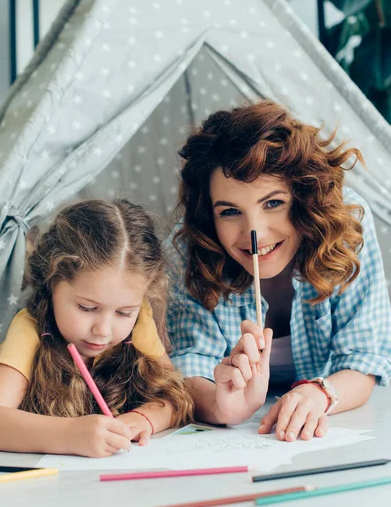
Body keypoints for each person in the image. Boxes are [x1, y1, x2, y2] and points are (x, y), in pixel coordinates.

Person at [165, 100, 391, 442]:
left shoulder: (347, 229)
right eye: (229, 212)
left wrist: (318, 394)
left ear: (303, 198)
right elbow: (189, 362)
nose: (254, 235)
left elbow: (364, 360)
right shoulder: (188, 250)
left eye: (273, 203)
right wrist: (220, 406)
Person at [0, 199, 193, 457]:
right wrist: (69, 435)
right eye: (87, 308)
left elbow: (174, 396)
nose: (103, 330)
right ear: (53, 283)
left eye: (123, 312)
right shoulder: (29, 328)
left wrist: (142, 419)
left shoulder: (140, 320)